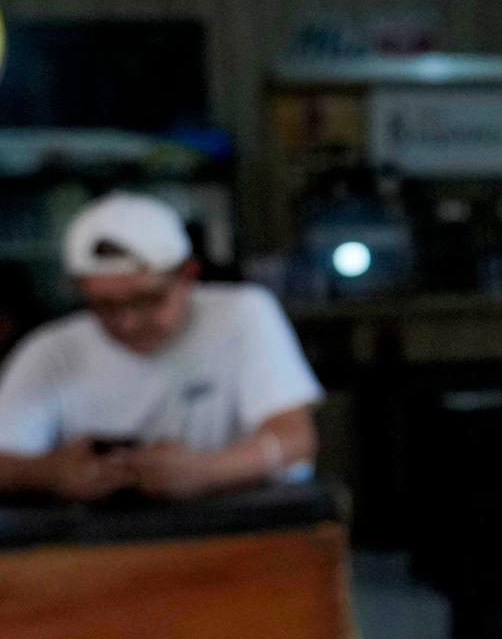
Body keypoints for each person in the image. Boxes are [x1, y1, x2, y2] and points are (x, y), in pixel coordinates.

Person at [0, 192, 319, 502]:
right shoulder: (50, 351)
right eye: (105, 306)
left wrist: (204, 472)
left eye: (148, 300)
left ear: (188, 275)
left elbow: (295, 439)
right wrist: (52, 473)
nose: (129, 323)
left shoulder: (242, 314)